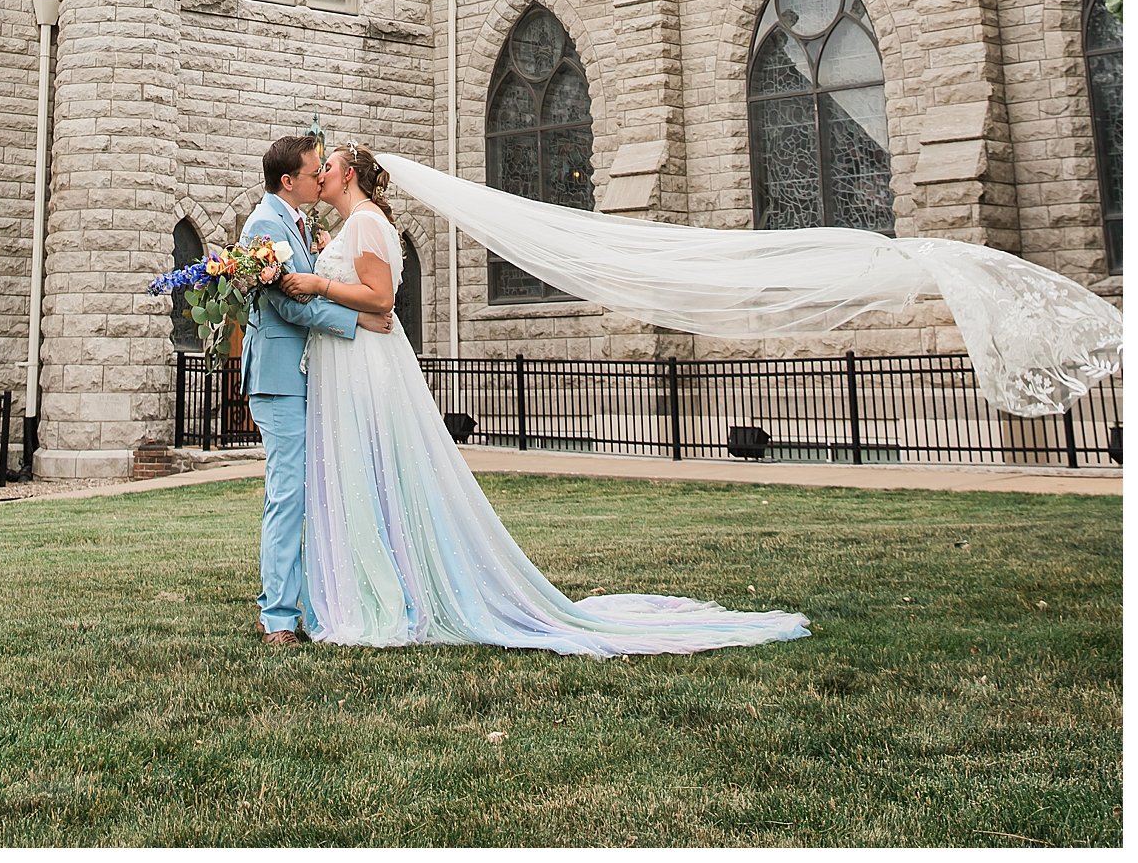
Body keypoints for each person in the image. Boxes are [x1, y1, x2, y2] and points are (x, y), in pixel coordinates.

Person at [279, 143, 810, 655]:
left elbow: (382, 301)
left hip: (367, 367)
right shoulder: (350, 227)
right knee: (360, 471)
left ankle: (387, 594)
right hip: (348, 361)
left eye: (327, 165)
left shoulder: (369, 222)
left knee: (373, 467)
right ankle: (367, 583)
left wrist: (316, 284)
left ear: (348, 175)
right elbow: (371, 306)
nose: (319, 172)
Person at [238, 133, 393, 645]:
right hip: (280, 379)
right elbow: (288, 305)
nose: (319, 176)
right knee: (289, 493)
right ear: (290, 181)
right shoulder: (265, 224)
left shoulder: (298, 225)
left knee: (310, 488)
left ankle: (306, 603)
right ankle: (279, 617)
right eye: (313, 171)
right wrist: (357, 319)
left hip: (304, 374)